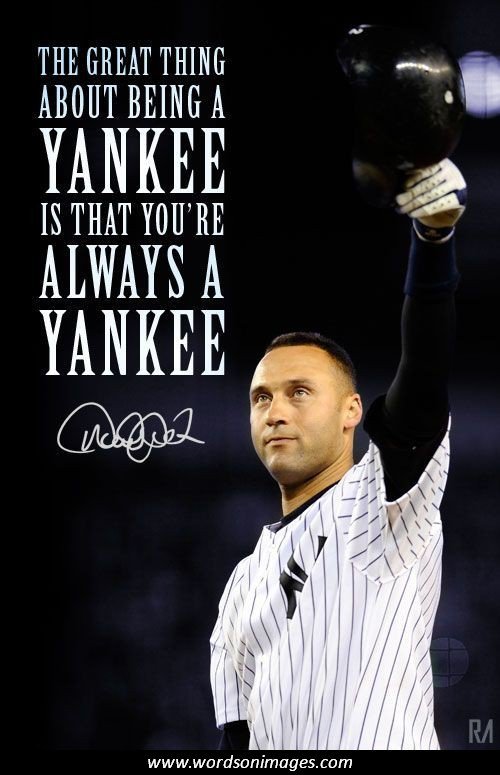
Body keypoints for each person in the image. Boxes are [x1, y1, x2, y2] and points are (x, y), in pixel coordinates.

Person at [209, 158, 467, 750]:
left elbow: (422, 380)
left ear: (352, 410)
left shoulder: (379, 504)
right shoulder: (241, 583)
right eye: (261, 397)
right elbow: (236, 744)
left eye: (300, 392)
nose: (275, 411)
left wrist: (432, 242)